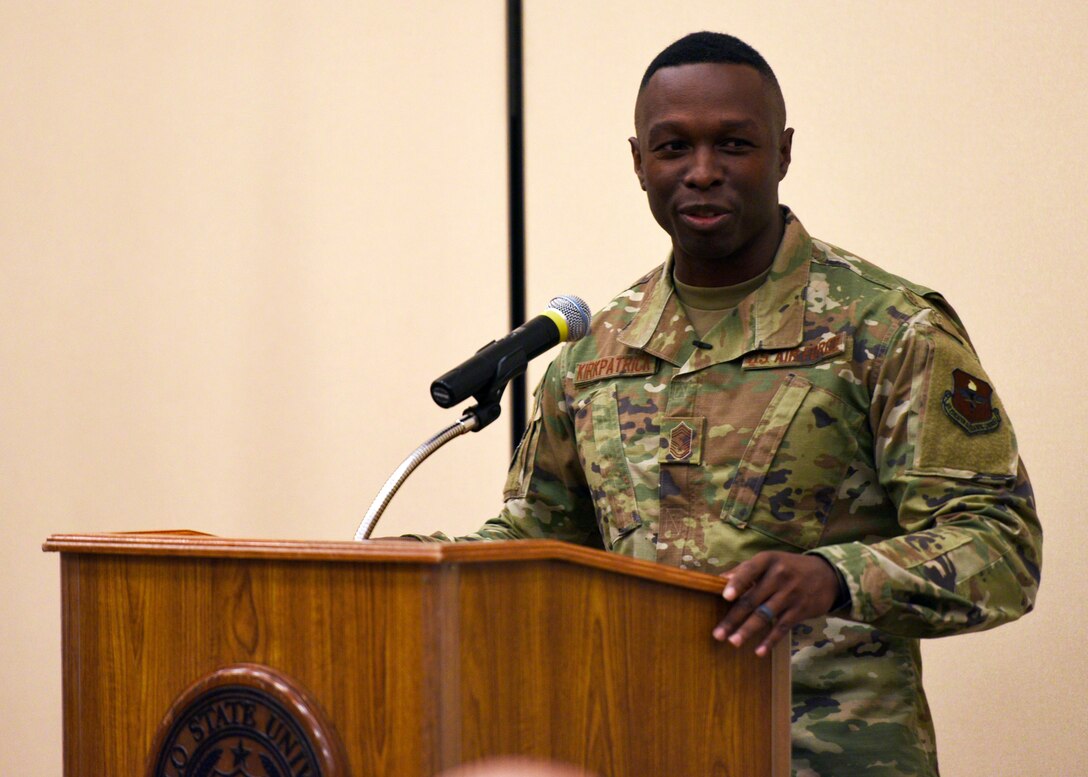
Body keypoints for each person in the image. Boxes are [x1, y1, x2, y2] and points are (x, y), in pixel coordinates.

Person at [404, 32, 1042, 777]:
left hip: (826, 757)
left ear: (783, 152)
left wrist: (835, 576)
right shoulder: (593, 353)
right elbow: (539, 539)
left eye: (734, 144)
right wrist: (415, 570)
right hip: (632, 745)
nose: (702, 172)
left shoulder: (887, 328)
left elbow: (1000, 547)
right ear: (639, 160)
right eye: (673, 148)